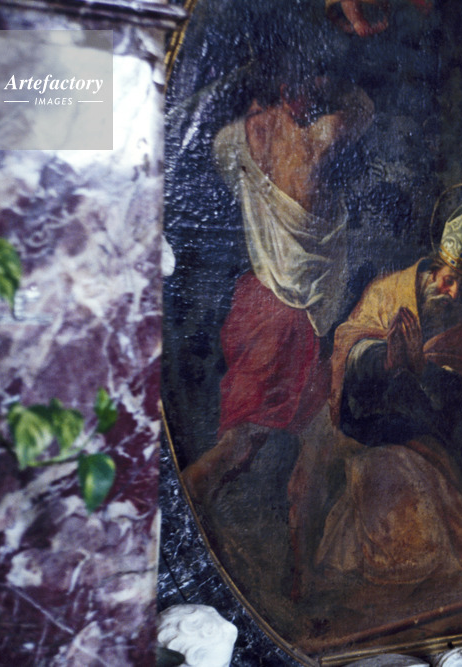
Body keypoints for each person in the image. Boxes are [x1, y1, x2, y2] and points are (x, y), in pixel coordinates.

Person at [181, 78, 374, 504]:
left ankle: (291, 552)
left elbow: (231, 170)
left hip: (254, 303)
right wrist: (334, 89)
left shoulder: (234, 139)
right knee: (241, 451)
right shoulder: (319, 138)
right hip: (290, 321)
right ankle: (178, 517)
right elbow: (362, 106)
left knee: (284, 451)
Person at [313, 194, 462, 585]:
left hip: (431, 431)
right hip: (372, 429)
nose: (453, 293)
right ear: (432, 270)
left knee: (445, 465)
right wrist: (387, 360)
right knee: (396, 479)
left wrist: (429, 368)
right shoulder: (387, 293)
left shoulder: (458, 318)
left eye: (461, 286)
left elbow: (461, 401)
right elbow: (350, 347)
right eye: (449, 280)